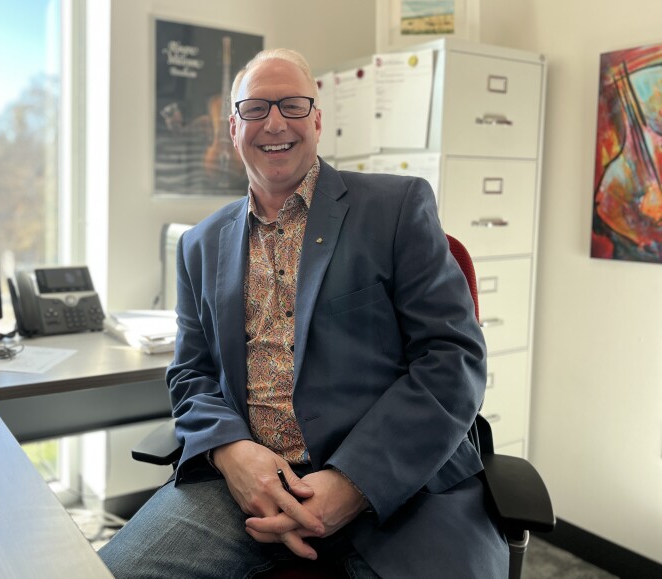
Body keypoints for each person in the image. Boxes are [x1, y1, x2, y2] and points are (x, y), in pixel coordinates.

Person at [99, 48, 508, 578]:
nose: (274, 123)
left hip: (398, 484)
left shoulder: (397, 207)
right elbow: (191, 374)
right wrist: (230, 452)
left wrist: (353, 482)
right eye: (255, 109)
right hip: (247, 487)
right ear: (233, 127)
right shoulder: (199, 244)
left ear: (317, 119)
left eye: (293, 106)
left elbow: (453, 360)